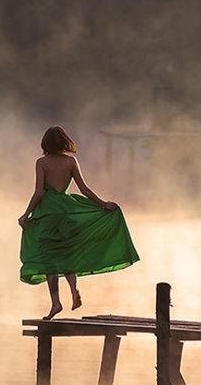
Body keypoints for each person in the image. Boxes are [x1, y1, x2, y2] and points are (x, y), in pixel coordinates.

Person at [18, 126, 139, 320]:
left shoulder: (41, 163)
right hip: (67, 213)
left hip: (48, 214)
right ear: (64, 142)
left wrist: (26, 214)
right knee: (67, 253)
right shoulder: (70, 162)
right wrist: (103, 203)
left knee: (50, 260)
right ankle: (74, 290)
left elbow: (39, 192)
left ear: (45, 143)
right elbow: (84, 189)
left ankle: (56, 303)